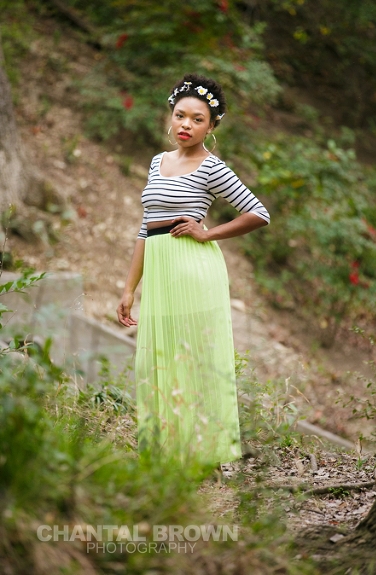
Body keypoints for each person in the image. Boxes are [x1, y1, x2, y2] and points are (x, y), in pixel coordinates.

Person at [116, 73, 270, 467]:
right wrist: (130, 288)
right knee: (160, 356)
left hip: (193, 269)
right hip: (160, 271)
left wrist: (209, 233)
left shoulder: (211, 167)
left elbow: (259, 213)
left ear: (211, 126)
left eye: (197, 119)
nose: (186, 124)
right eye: (180, 115)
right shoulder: (157, 162)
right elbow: (144, 228)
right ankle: (165, 449)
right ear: (171, 117)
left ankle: (206, 452)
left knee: (194, 355)